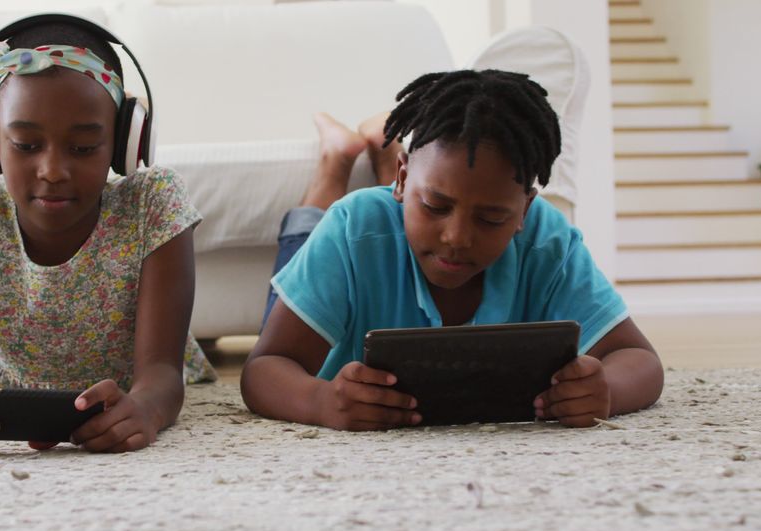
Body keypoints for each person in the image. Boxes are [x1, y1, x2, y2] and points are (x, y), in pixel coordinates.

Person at [241, 69, 663, 431]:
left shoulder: (546, 240)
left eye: (492, 219)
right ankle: (337, 156)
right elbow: (264, 369)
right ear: (402, 180)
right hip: (353, 234)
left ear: (524, 210)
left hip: (399, 211)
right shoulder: (354, 229)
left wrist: (606, 389)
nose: (457, 238)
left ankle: (387, 154)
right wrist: (319, 401)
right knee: (307, 230)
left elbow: (639, 360)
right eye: (437, 206)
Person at [0, 17, 215, 457]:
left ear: (127, 141)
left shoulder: (153, 204)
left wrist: (145, 409)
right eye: (25, 145)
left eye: (83, 149)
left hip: (126, 390)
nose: (53, 171)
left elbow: (161, 373)